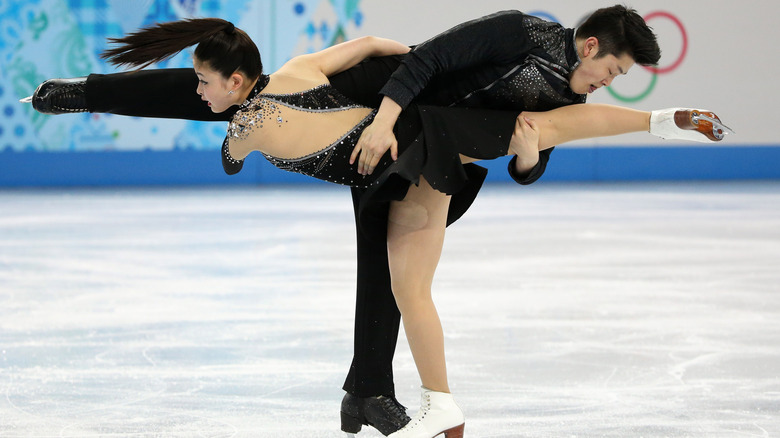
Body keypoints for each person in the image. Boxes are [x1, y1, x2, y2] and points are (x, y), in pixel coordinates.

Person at [24, 7, 731, 436]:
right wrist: (385, 116)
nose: (612, 81)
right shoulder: (521, 32)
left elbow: (543, 146)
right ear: (592, 46)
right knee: (240, 99)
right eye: (616, 69)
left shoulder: (565, 95)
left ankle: (368, 391)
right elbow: (431, 58)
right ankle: (89, 92)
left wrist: (525, 161)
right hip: (381, 108)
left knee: (387, 271)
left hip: (425, 145)